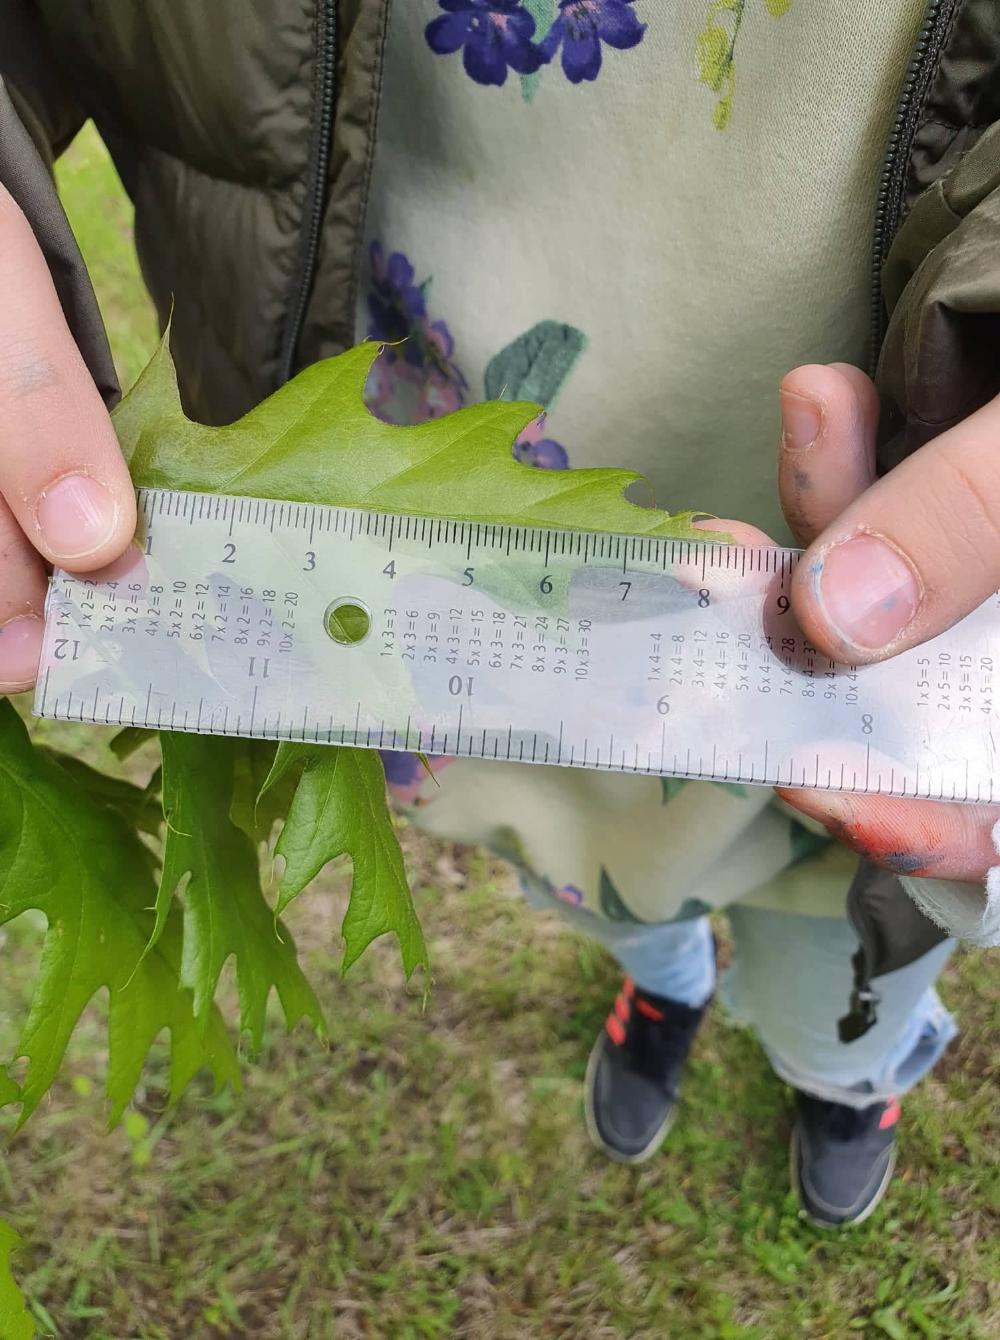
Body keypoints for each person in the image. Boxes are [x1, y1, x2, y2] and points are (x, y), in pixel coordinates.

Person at [0, 1, 997, 1230]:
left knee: (839, 952)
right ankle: (662, 981)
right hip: (448, 582)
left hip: (872, 652)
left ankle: (842, 1072)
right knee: (594, 870)